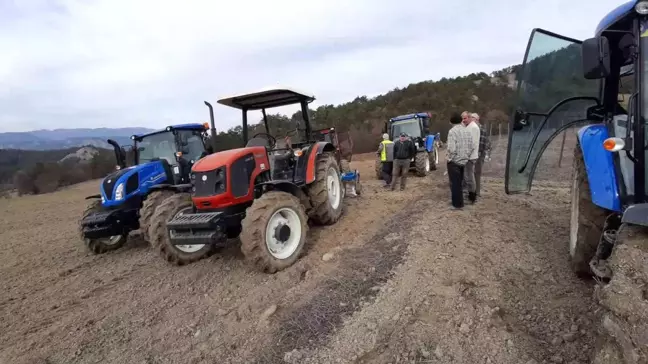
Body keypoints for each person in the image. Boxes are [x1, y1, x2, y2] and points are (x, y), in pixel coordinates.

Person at [447, 112, 474, 209]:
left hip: (455, 161)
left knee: (455, 183)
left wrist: (450, 158)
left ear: (451, 122)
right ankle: (460, 202)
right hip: (464, 161)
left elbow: (451, 149)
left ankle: (457, 205)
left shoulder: (452, 132)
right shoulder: (467, 131)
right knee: (460, 182)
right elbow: (471, 146)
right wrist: (466, 156)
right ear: (461, 120)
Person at [462, 111, 480, 203]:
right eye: (462, 118)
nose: (463, 120)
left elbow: (471, 144)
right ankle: (470, 195)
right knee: (468, 176)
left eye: (465, 118)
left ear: (469, 118)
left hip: (470, 157)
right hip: (469, 156)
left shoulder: (472, 128)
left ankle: (472, 197)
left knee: (469, 176)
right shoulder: (470, 127)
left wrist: (465, 155)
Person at [471, 113, 491, 197]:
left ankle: (477, 191)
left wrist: (478, 153)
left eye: (472, 118)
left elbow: (482, 143)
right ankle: (472, 189)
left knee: (477, 173)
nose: (471, 119)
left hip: (479, 154)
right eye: (470, 117)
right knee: (471, 172)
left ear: (477, 119)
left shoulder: (481, 129)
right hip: (473, 153)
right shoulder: (471, 128)